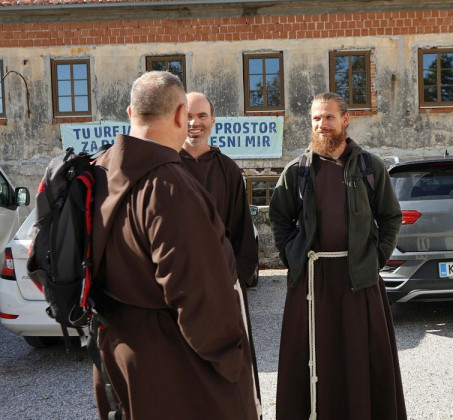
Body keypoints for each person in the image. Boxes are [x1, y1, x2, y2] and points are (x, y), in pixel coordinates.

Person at [91, 71, 257, 419]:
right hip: (173, 361)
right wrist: (231, 360)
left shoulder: (97, 171)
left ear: (130, 112)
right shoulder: (169, 186)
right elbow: (199, 294)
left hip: (116, 352)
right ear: (181, 115)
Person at [269, 92, 406, 419]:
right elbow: (279, 218)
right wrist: (293, 257)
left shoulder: (369, 167)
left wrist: (376, 260)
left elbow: (390, 217)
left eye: (329, 117)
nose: (322, 125)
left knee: (358, 356)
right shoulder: (297, 170)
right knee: (311, 357)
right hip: (311, 281)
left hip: (358, 278)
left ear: (345, 120)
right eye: (316, 118)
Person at [179, 91, 261, 412]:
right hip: (179, 286)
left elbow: (242, 233)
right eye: (187, 116)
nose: (194, 123)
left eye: (201, 116)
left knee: (229, 368)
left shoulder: (228, 170)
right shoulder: (167, 167)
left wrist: (235, 282)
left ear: (213, 121)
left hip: (224, 287)